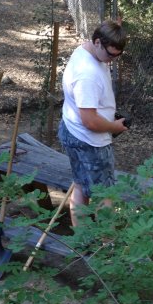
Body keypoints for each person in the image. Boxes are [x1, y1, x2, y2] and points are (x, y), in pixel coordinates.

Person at [58, 19, 128, 227]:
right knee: (105, 195)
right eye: (110, 54)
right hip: (90, 141)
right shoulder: (87, 75)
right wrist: (114, 127)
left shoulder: (87, 50)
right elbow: (89, 120)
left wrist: (114, 25)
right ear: (97, 42)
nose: (112, 60)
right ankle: (107, 248)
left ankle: (83, 240)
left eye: (118, 56)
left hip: (71, 130)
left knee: (80, 185)